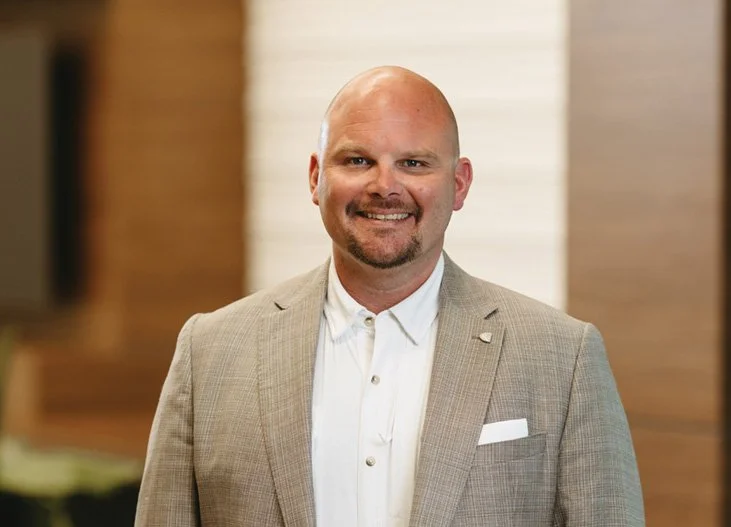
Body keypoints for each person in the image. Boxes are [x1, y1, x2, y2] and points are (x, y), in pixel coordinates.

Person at [135, 66, 644, 526]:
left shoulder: (562, 359)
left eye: (415, 163)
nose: (385, 186)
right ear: (316, 178)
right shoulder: (211, 352)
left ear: (459, 184)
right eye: (357, 160)